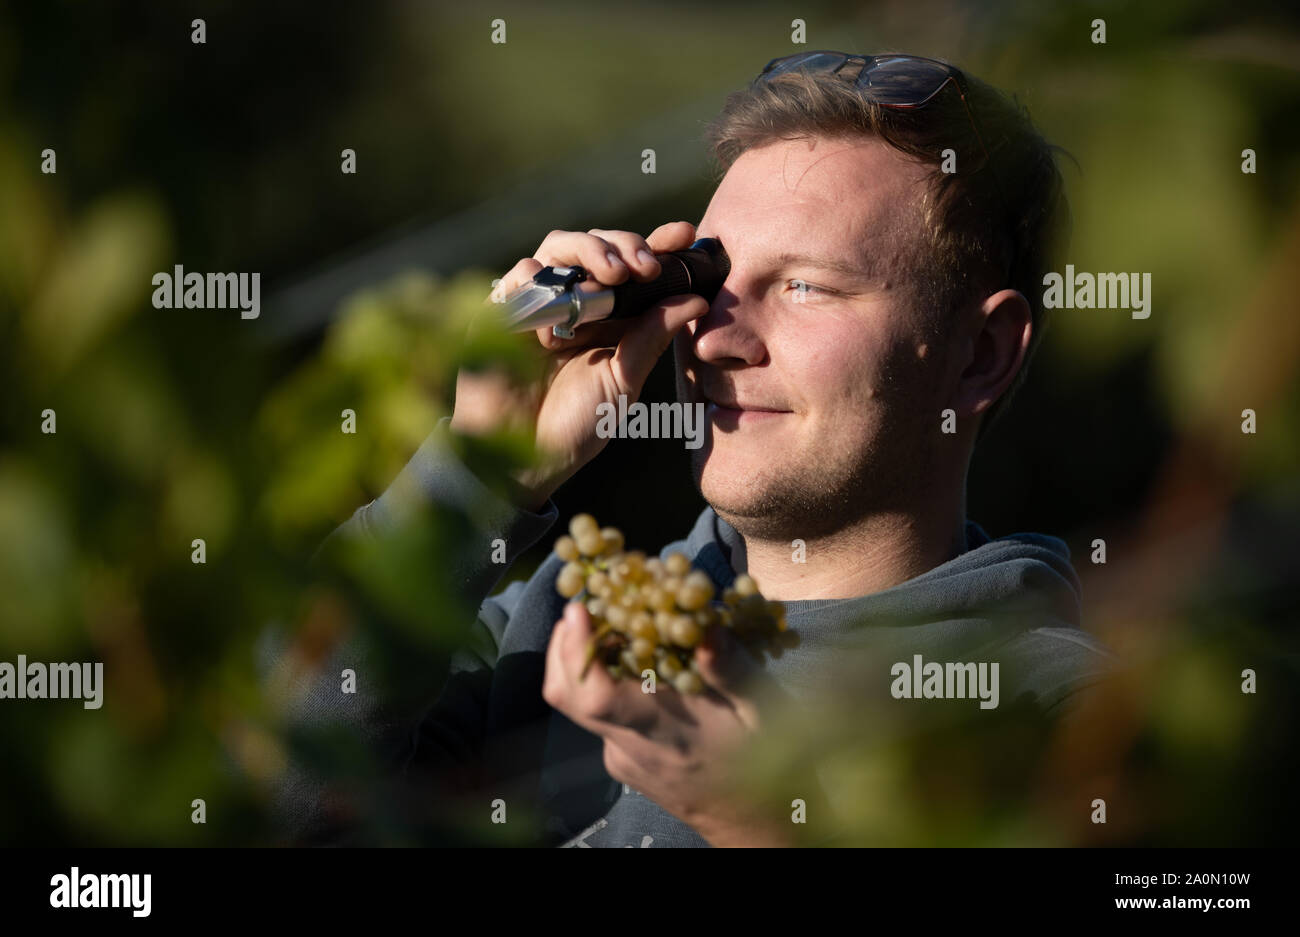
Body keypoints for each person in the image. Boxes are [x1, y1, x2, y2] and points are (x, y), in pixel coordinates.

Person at [265, 52, 1112, 848]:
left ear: (982, 353)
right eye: (706, 284)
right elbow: (260, 796)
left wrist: (758, 821)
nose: (712, 342)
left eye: (805, 286)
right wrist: (476, 474)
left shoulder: (1065, 719)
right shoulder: (560, 628)